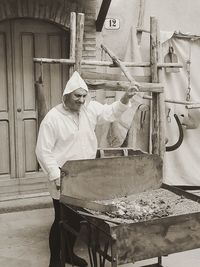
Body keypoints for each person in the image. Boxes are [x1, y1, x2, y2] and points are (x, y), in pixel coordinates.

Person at [35, 71, 139, 267]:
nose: (82, 100)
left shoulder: (89, 110)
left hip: (85, 174)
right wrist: (56, 175)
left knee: (75, 220)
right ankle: (55, 261)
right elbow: (43, 151)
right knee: (61, 219)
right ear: (67, 96)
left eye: (84, 96)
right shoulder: (53, 118)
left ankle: (68, 254)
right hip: (63, 175)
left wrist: (125, 97)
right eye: (77, 96)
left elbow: (111, 112)